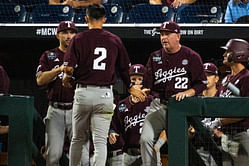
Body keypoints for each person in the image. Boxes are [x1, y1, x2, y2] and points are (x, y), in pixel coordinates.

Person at [62, 4, 146, 166]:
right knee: (100, 141)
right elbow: (124, 69)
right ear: (104, 19)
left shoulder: (78, 39)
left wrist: (67, 77)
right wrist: (131, 87)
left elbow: (69, 68)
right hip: (105, 95)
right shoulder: (114, 40)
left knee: (78, 138)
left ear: (86, 19)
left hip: (84, 93)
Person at [140, 20, 207, 166]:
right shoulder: (154, 57)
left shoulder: (191, 56)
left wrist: (189, 92)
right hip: (159, 105)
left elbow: (202, 83)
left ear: (178, 36)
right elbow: (147, 85)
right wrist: (142, 91)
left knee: (180, 145)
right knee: (146, 139)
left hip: (181, 108)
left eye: (167, 34)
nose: (163, 38)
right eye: (162, 34)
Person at [36, 20, 78, 166]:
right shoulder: (49, 55)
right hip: (55, 110)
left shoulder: (82, 55)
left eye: (72, 32)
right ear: (57, 35)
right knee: (53, 156)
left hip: (76, 109)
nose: (69, 36)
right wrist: (59, 69)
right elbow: (40, 80)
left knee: (79, 157)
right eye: (65, 32)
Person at [109, 64, 154, 166]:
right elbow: (114, 125)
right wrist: (111, 132)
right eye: (133, 79)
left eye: (140, 79)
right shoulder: (122, 105)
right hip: (129, 154)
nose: (137, 82)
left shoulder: (152, 101)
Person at [217, 38, 249, 166]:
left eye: (227, 52)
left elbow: (245, 111)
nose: (224, 55)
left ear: (238, 53)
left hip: (242, 134)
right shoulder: (226, 79)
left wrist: (219, 121)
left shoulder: (247, 78)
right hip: (226, 135)